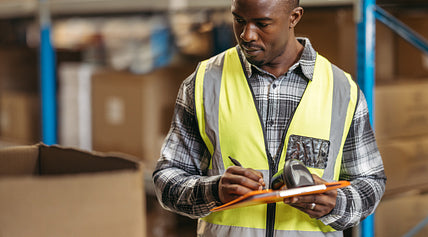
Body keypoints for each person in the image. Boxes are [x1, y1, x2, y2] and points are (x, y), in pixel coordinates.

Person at [152, 0, 386, 236]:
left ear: (294, 18)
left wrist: (337, 204)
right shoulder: (203, 83)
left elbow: (371, 183)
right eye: (239, 20)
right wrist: (213, 190)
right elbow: (167, 181)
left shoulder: (342, 90)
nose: (247, 35)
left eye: (262, 24)